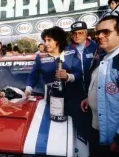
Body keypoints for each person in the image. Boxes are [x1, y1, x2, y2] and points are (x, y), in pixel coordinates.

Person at [81, 15, 119, 157]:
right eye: (98, 32)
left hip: (112, 140)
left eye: (106, 32)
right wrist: (89, 99)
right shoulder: (106, 57)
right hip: (98, 129)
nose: (100, 36)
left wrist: (118, 139)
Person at [25, 26, 82, 98]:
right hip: (51, 98)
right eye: (45, 41)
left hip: (72, 98)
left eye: (49, 40)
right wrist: (28, 90)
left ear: (57, 40)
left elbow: (80, 73)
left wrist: (68, 77)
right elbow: (33, 75)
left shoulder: (71, 52)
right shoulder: (40, 57)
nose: (46, 44)